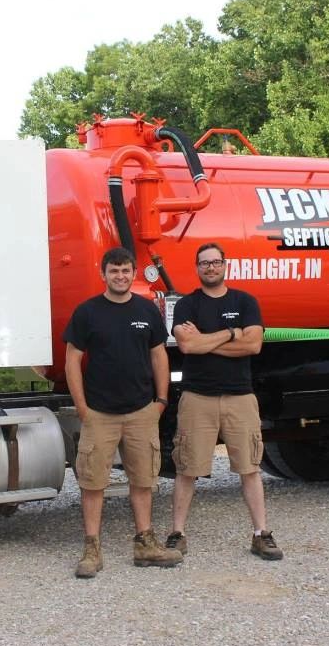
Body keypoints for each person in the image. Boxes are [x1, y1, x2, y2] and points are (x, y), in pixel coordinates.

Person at [64, 246, 183, 578]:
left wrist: (160, 401)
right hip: (99, 413)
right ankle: (91, 548)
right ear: (104, 274)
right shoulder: (87, 312)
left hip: (141, 411)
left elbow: (159, 356)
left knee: (143, 479)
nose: (120, 276)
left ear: (133, 274)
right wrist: (82, 407)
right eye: (114, 270)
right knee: (92, 482)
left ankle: (145, 543)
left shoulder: (146, 310)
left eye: (125, 270)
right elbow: (72, 359)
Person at [167, 242, 283, 560]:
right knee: (187, 468)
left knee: (249, 467)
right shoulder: (187, 305)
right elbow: (187, 346)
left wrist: (207, 339)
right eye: (204, 263)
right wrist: (231, 334)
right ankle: (177, 533)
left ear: (224, 265)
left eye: (215, 262)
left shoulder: (245, 301)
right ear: (197, 268)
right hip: (197, 398)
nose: (210, 267)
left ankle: (261, 534)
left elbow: (254, 345)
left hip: (240, 397)